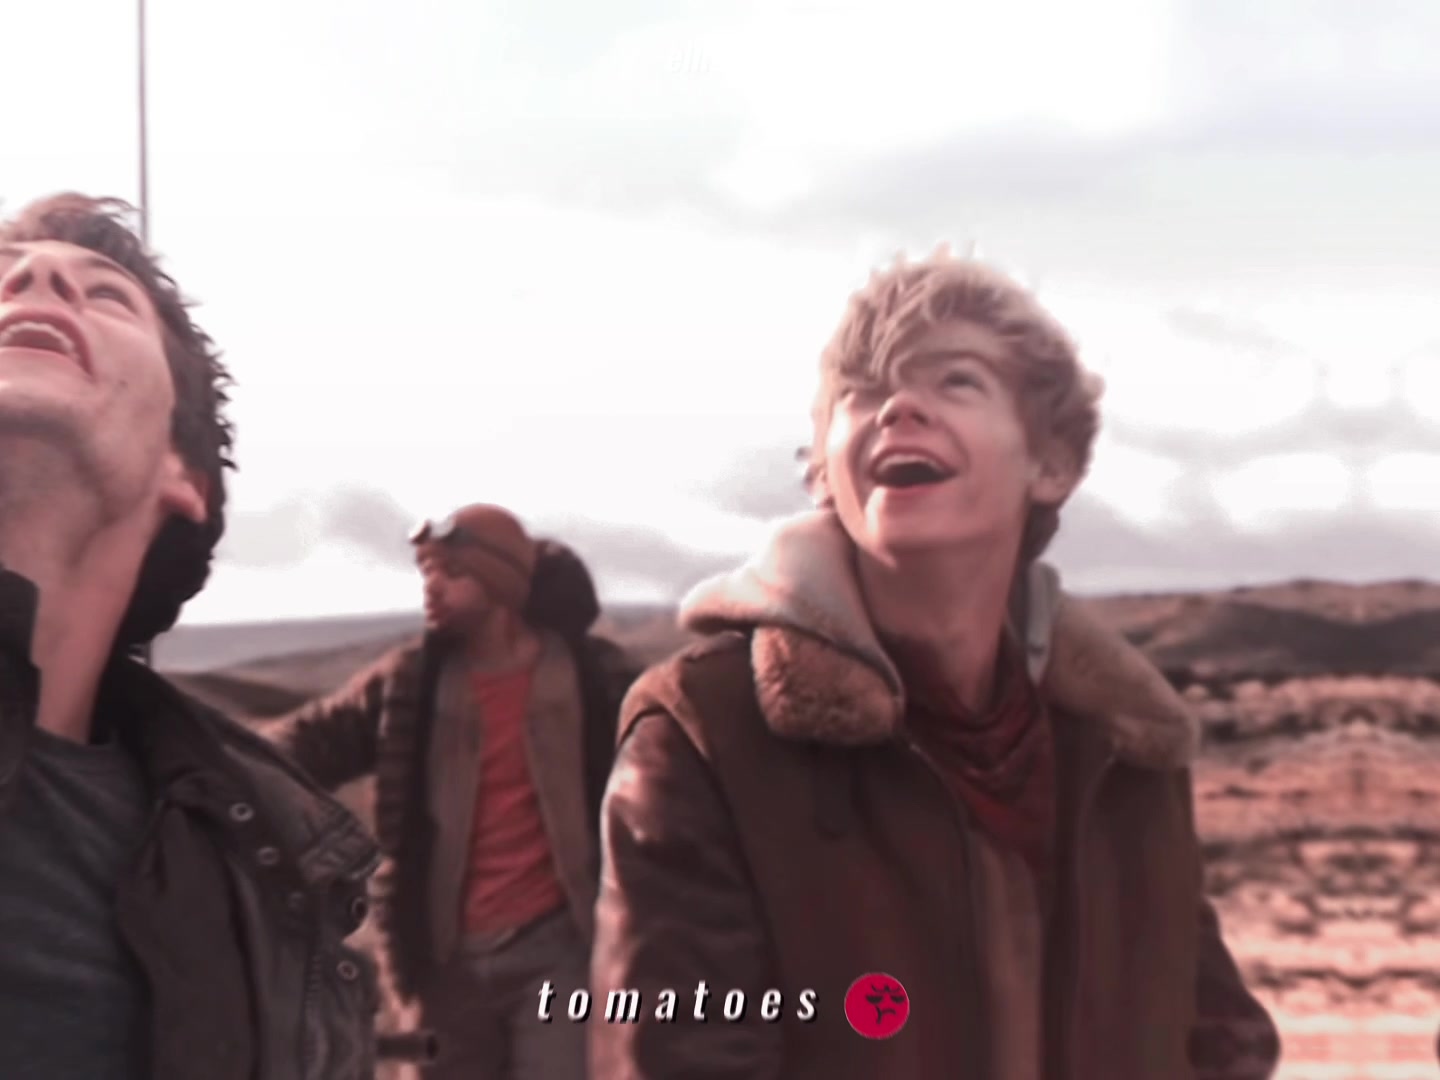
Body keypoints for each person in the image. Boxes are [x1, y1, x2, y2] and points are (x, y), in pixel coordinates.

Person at [589, 252, 1281, 1078]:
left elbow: (1215, 1031)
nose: (899, 408)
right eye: (862, 393)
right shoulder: (705, 732)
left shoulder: (1126, 742)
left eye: (957, 381)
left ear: (1051, 463)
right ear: (824, 470)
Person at [0, 193, 381, 1079]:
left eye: (106, 294)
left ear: (185, 473)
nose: (38, 277)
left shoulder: (271, 879)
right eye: (4, 279)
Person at [264, 504, 636, 1080]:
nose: (431, 587)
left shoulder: (592, 678)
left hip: (561, 952)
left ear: (501, 583)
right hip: (441, 960)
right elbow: (303, 745)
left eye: (452, 573)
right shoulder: (411, 682)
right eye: (426, 571)